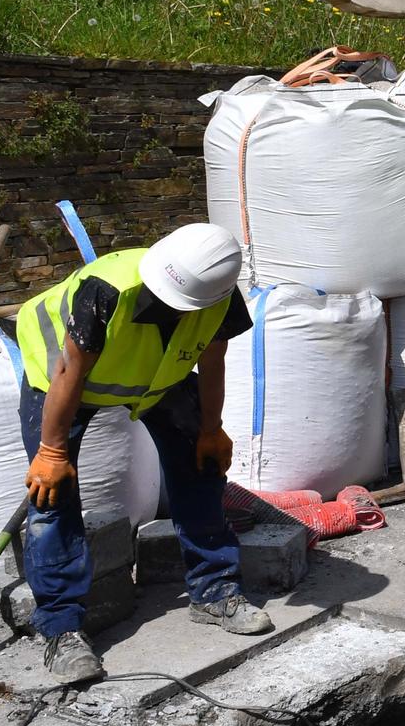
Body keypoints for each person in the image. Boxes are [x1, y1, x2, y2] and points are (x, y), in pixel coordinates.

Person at [15, 223, 273, 685]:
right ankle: (60, 627)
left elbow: (213, 362)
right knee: (51, 494)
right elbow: (70, 369)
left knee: (202, 464)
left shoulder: (219, 296)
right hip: (58, 376)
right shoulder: (107, 291)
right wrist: (53, 451)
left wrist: (211, 430)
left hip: (156, 378)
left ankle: (215, 591)